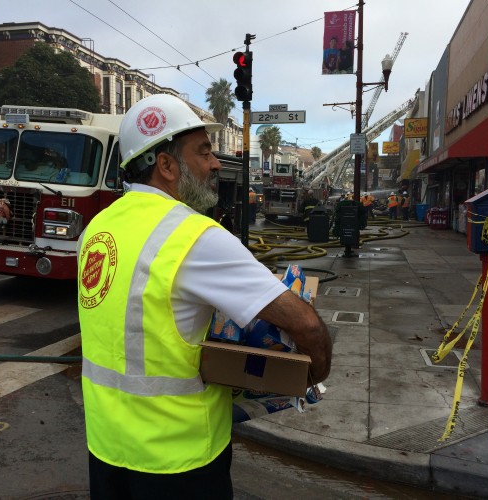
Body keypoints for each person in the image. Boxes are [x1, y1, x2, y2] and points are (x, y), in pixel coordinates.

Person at [76, 94, 332, 499]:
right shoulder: (194, 236)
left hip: (106, 452)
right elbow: (304, 324)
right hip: (180, 463)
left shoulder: (97, 229)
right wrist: (313, 375)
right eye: (204, 152)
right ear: (166, 165)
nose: (215, 164)